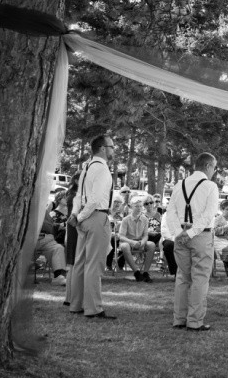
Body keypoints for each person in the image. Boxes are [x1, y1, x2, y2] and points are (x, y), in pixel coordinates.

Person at [166, 152, 219, 331]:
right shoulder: (210, 186)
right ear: (208, 166)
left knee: (182, 277)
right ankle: (195, 321)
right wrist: (191, 233)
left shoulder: (178, 184)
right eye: (214, 167)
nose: (214, 171)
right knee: (200, 278)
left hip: (181, 234)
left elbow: (170, 211)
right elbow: (208, 214)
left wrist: (178, 232)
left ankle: (179, 319)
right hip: (200, 235)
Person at [68, 134, 117, 320]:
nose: (113, 150)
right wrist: (79, 215)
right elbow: (95, 200)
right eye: (111, 146)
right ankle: (93, 308)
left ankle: (76, 304)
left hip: (84, 218)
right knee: (94, 265)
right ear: (103, 148)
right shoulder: (102, 169)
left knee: (80, 262)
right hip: (96, 217)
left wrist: (76, 215)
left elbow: (78, 196)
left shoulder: (86, 167)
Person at [118, 198, 155, 281]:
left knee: (151, 245)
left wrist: (142, 242)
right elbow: (121, 236)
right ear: (131, 207)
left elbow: (146, 235)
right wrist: (132, 242)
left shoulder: (145, 219)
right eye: (136, 206)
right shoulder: (125, 220)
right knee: (124, 246)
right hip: (128, 241)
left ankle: (145, 272)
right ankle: (136, 272)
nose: (139, 208)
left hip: (140, 242)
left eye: (140, 206)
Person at [35, 201, 68, 285]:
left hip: (46, 239)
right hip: (30, 239)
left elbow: (51, 225)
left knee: (58, 248)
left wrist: (60, 226)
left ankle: (59, 277)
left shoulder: (43, 211)